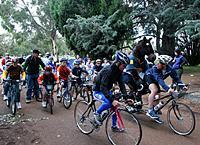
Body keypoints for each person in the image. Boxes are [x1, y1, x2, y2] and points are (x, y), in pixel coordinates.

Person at [93, 51, 129, 132]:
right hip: (98, 91)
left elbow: (121, 84)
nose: (125, 67)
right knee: (110, 102)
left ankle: (114, 126)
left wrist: (126, 97)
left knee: (115, 105)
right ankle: (97, 113)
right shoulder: (108, 70)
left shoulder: (119, 71)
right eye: (124, 65)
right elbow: (102, 87)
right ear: (118, 63)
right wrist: (111, 100)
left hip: (106, 90)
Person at [144, 55, 186, 123]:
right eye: (157, 62)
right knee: (154, 90)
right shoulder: (155, 68)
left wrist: (182, 86)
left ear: (164, 65)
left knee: (158, 95)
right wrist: (168, 89)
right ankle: (150, 110)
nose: (157, 64)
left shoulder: (170, 69)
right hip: (149, 77)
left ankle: (155, 110)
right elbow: (159, 80)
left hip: (156, 80)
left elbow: (176, 78)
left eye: (159, 63)